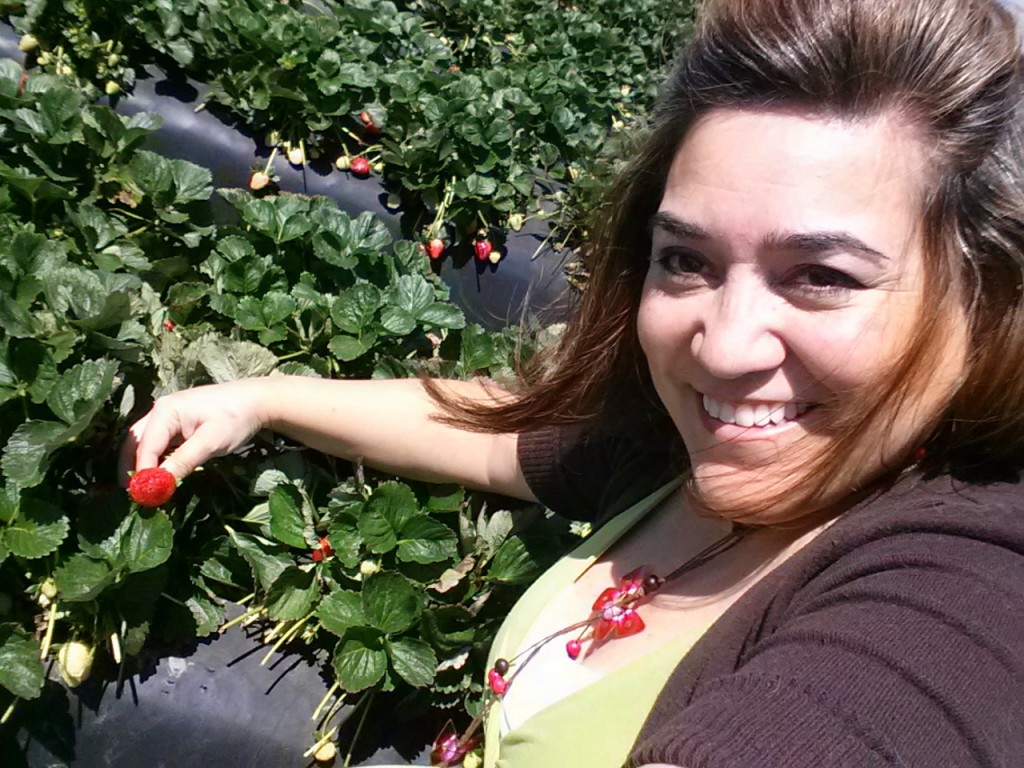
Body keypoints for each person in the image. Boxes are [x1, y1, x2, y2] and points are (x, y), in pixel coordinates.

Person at [122, 0, 1024, 765]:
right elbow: (496, 430)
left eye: (822, 275)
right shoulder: (690, 456)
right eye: (687, 260)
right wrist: (262, 398)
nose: (723, 345)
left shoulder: (964, 587)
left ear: (986, 300)